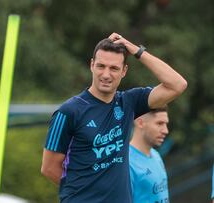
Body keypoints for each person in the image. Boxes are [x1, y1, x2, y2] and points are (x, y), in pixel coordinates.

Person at [40, 32, 187, 203]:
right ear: (92, 65)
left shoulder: (129, 102)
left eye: (114, 68)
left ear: (124, 71)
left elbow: (177, 85)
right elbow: (49, 168)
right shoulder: (69, 111)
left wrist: (135, 50)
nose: (106, 74)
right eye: (101, 66)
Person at [129, 108, 170, 203]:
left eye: (166, 124)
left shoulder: (156, 155)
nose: (165, 130)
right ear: (140, 123)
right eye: (160, 123)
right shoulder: (125, 163)